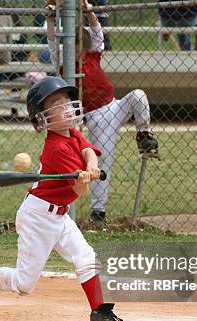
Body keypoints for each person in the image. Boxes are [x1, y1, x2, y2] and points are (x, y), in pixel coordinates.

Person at [0, 76, 123, 321]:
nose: (66, 108)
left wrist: (90, 167)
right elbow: (80, 191)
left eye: (67, 102)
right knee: (24, 284)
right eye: (57, 104)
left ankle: (100, 312)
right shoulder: (56, 149)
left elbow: (88, 150)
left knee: (87, 259)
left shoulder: (72, 134)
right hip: (38, 217)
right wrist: (83, 180)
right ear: (43, 118)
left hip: (59, 215)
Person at [47, 0, 158, 225]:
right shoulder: (63, 62)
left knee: (137, 95)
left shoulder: (92, 55)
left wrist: (89, 12)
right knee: (101, 160)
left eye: (79, 42)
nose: (77, 47)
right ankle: (99, 211)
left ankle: (143, 135)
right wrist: (50, 19)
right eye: (73, 43)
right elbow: (51, 41)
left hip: (113, 105)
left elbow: (97, 33)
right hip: (98, 117)